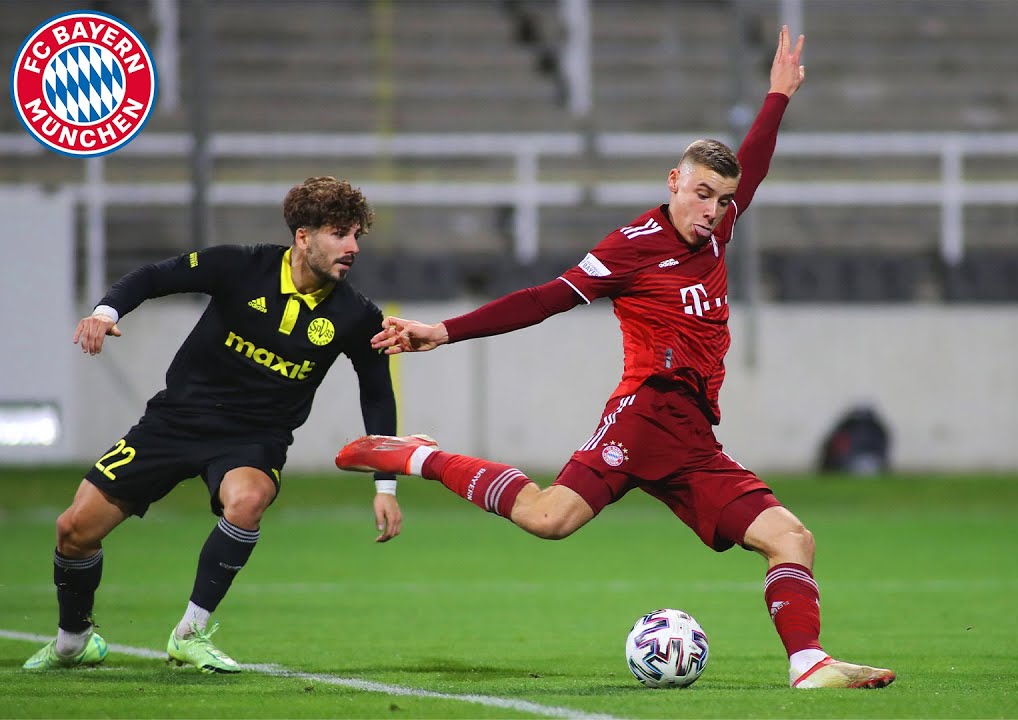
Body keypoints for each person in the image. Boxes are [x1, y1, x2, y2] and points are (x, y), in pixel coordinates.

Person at [336, 28, 895, 690]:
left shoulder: (717, 229)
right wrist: (444, 332)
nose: (712, 210)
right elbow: (547, 298)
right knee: (551, 520)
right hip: (645, 414)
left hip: (690, 437)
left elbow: (755, 161)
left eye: (722, 198)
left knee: (791, 539)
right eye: (701, 194)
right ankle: (416, 456)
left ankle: (808, 663)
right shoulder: (633, 245)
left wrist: (776, 96)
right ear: (673, 183)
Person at [23, 176, 402, 674]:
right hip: (176, 420)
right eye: (338, 233)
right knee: (73, 530)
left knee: (247, 501)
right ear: (303, 236)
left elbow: (377, 394)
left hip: (255, 437)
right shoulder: (240, 265)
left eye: (357, 235)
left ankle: (191, 632)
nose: (352, 247)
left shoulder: (357, 316)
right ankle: (74, 640)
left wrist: (386, 483)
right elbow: (155, 277)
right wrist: (104, 311)